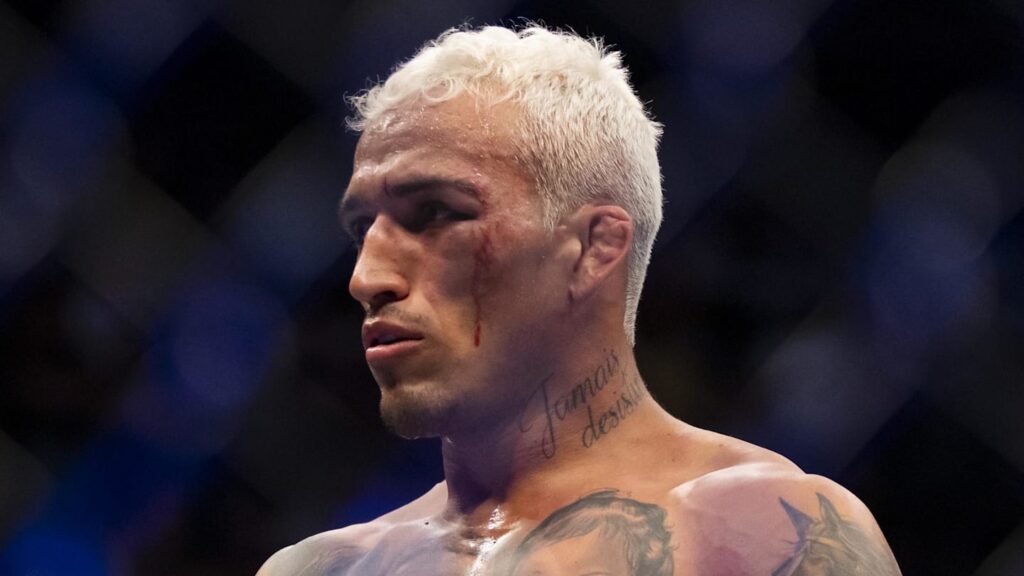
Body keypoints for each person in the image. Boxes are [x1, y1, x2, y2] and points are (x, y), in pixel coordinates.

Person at [257, 24, 902, 576]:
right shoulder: (321, 568)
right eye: (361, 229)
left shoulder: (771, 535)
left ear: (594, 247)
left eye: (435, 214)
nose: (366, 277)